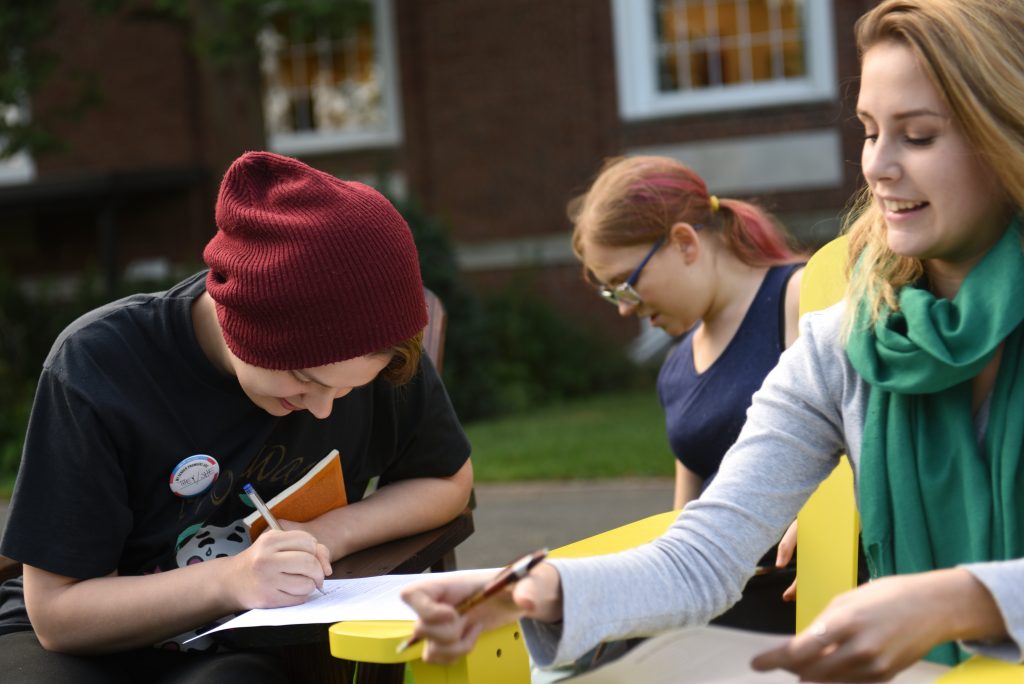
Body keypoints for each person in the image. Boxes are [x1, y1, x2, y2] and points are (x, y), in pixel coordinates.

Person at [400, 0, 1024, 680]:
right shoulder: (844, 347)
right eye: (871, 132)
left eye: (919, 136)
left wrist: (959, 601)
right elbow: (703, 555)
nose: (878, 165)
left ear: (1005, 135)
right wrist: (545, 588)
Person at [0, 151, 474, 682]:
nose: (323, 408)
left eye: (348, 391)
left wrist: (329, 533)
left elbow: (446, 479)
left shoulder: (369, 346)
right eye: (306, 380)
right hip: (77, 649)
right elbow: (58, 615)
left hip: (232, 649)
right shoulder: (100, 368)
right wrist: (231, 580)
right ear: (242, 326)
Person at [568, 155, 804, 631]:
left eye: (626, 285)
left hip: (806, 593)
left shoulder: (800, 298)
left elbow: (865, 434)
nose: (624, 309)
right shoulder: (676, 370)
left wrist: (826, 518)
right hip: (723, 596)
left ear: (684, 242)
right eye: (612, 295)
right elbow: (683, 524)